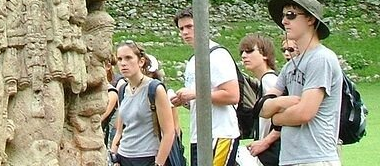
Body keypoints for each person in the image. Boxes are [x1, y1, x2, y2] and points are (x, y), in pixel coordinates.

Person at [260, 0, 343, 166]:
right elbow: (262, 108)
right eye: (283, 16)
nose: (284, 21)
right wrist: (285, 102)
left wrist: (276, 118)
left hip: (316, 158)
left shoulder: (321, 58)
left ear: (310, 20)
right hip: (289, 158)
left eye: (290, 15)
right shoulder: (290, 66)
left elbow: (304, 113)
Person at [171, 9, 240, 166]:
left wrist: (195, 94)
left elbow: (232, 95)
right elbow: (198, 99)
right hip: (198, 135)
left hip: (220, 133)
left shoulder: (218, 55)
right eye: (181, 29)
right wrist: (182, 100)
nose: (185, 32)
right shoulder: (192, 61)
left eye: (189, 26)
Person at [110, 40, 175, 166]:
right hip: (123, 156)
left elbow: (169, 132)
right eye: (120, 59)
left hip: (147, 156)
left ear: (141, 61)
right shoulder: (122, 89)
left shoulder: (155, 89)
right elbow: (120, 130)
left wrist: (158, 163)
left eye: (128, 58)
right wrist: (114, 155)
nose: (123, 63)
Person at [239, 33, 280, 166]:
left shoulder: (270, 80)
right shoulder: (265, 80)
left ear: (265, 55)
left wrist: (265, 141)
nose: (244, 56)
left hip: (271, 151)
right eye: (242, 52)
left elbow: (286, 117)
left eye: (250, 51)